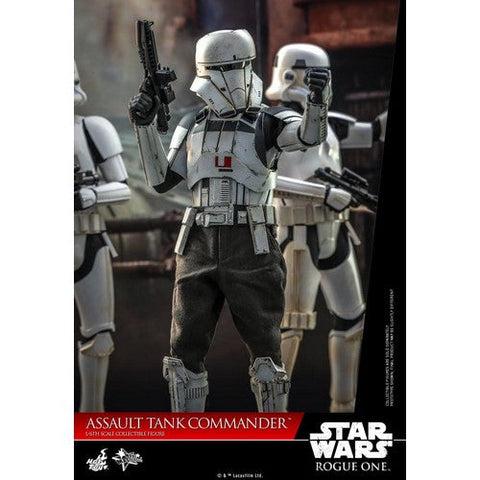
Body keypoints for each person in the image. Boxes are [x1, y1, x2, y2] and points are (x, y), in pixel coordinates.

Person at [128, 29, 351, 412]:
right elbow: (161, 179)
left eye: (230, 69)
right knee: (182, 356)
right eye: (216, 72)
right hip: (197, 240)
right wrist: (144, 125)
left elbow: (307, 136)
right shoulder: (192, 123)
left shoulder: (269, 121)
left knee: (266, 356)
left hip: (252, 240)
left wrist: (318, 102)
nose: (223, 82)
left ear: (246, 68)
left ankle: (271, 433)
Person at [265, 43, 387, 412]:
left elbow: (372, 131)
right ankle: (271, 416)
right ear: (294, 75)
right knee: (290, 327)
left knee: (353, 320)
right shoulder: (273, 124)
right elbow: (268, 182)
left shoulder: (327, 122)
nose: (322, 82)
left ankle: (343, 407)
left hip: (334, 232)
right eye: (316, 75)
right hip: (297, 234)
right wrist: (324, 193)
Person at [74, 61, 131, 411]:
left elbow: (121, 187)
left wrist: (90, 196)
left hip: (88, 239)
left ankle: (91, 421)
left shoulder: (92, 129)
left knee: (100, 337)